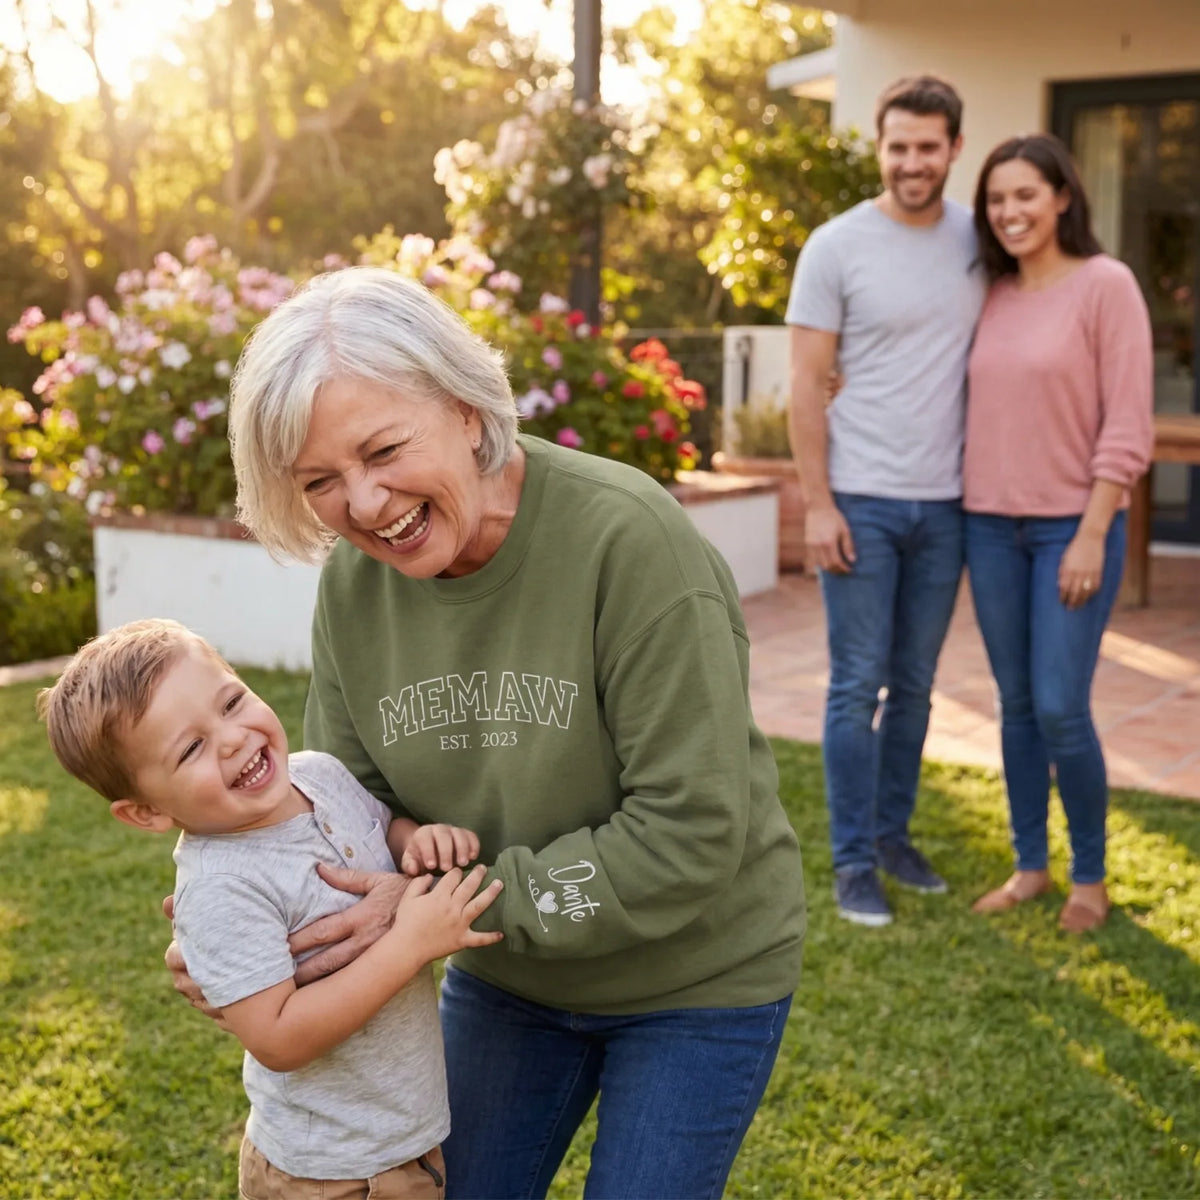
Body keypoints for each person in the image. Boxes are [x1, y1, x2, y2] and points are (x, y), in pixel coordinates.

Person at [166, 265, 807, 1200]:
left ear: (467, 409)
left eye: (384, 449)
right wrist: (248, 935)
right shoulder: (355, 585)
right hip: (507, 981)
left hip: (693, 983)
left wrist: (457, 909)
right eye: (322, 482)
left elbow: (692, 833)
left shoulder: (629, 542)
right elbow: (346, 811)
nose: (369, 504)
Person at [39, 617, 504, 1199]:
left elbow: (382, 831)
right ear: (147, 813)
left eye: (231, 702)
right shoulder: (220, 887)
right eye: (192, 748)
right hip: (330, 1174)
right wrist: (409, 943)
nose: (233, 738)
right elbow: (278, 1039)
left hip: (400, 1143)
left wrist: (417, 843)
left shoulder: (320, 775)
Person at [786, 75, 987, 926]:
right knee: (854, 685)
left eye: (927, 147)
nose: (912, 161)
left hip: (947, 505)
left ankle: (896, 836)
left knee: (914, 688)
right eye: (897, 146)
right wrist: (818, 503)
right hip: (860, 499)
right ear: (881, 147)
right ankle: (853, 861)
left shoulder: (982, 242)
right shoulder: (836, 245)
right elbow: (802, 380)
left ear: (953, 149)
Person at [964, 133, 1153, 932]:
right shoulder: (995, 293)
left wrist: (1091, 529)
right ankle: (1029, 865)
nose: (1010, 212)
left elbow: (1128, 421)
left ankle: (1091, 876)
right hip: (987, 525)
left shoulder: (1107, 285)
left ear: (1063, 197)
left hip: (1071, 530)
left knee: (1061, 706)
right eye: (997, 200)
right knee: (1014, 706)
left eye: (1026, 195)